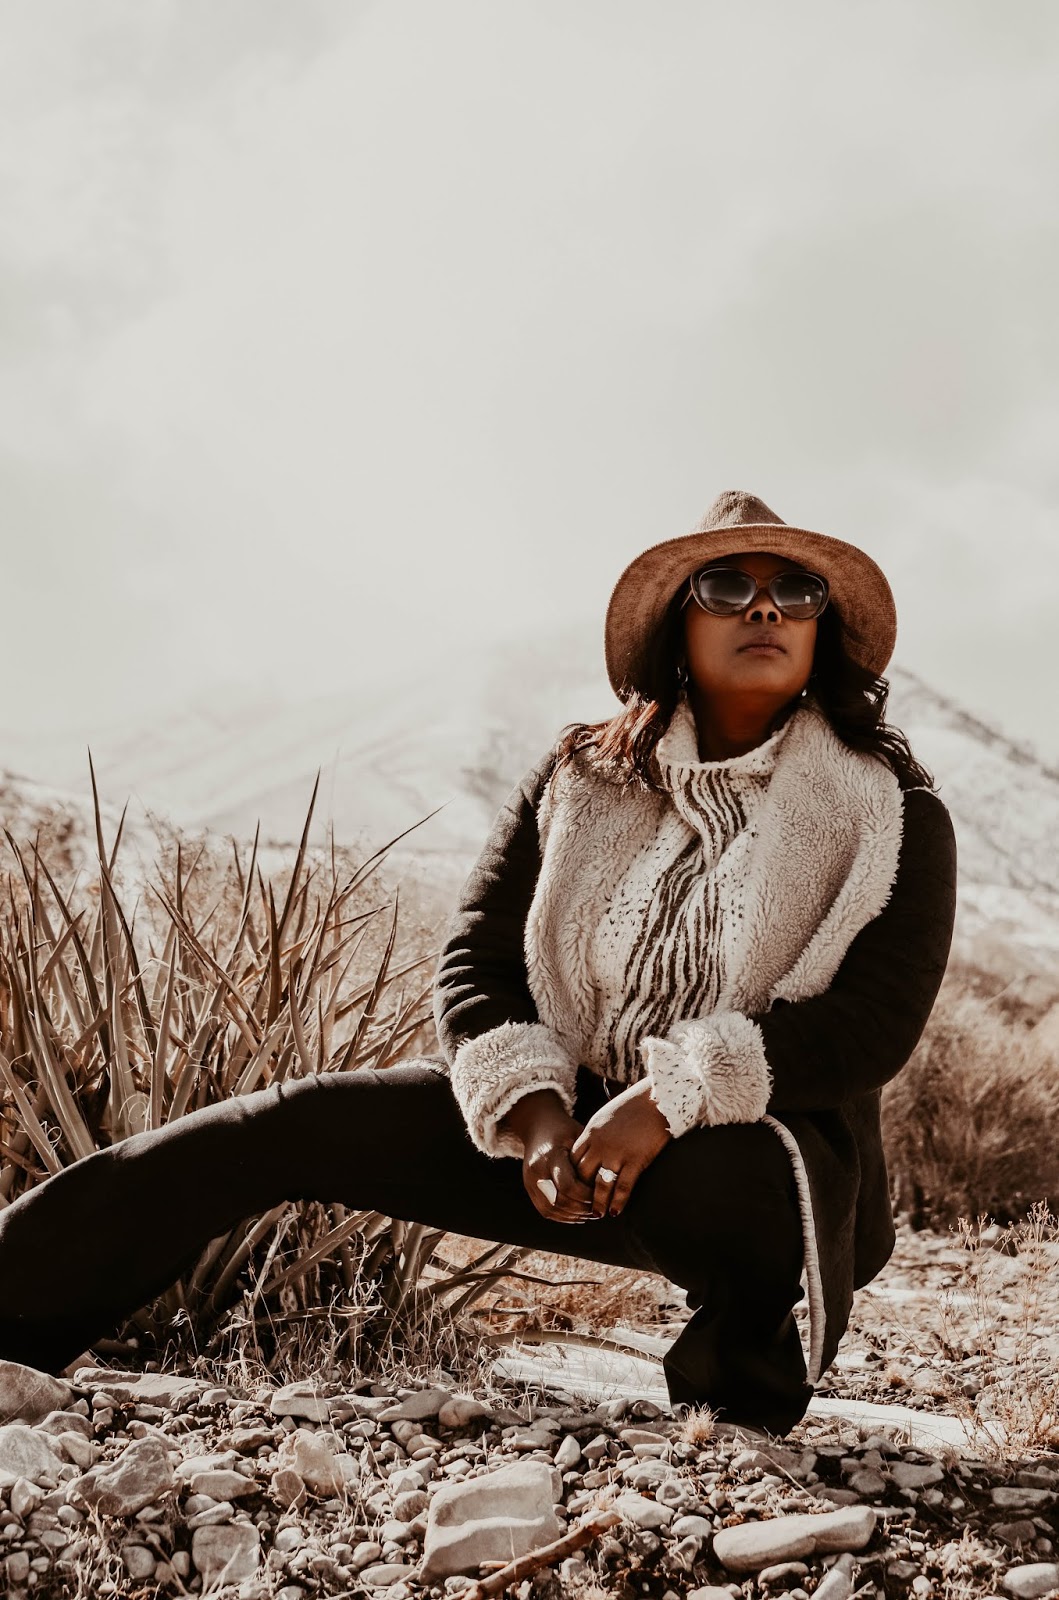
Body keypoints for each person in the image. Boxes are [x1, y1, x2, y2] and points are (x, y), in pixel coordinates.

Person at [0, 490, 957, 1438]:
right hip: (555, 1125)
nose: (764, 609)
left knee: (730, 1179)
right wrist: (538, 1116)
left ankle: (731, 1411)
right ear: (677, 625)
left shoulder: (893, 813)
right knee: (276, 1126)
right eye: (727, 585)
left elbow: (869, 1027)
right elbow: (478, 960)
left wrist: (666, 1098)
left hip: (758, 1156)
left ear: (821, 632)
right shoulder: (579, 779)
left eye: (795, 593)